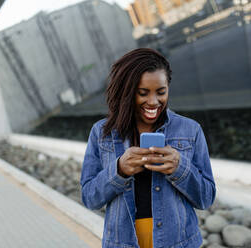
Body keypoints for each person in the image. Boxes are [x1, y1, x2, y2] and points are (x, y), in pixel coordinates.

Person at [80, 48, 216, 248]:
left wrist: (180, 168)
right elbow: (89, 198)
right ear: (126, 91)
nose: (153, 102)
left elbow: (206, 198)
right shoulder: (102, 133)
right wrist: (119, 170)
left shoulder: (190, 130)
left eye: (161, 92)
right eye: (143, 93)